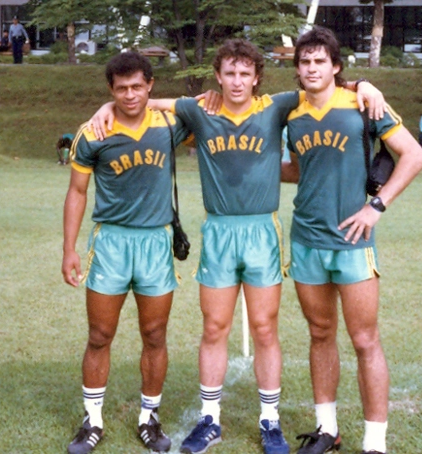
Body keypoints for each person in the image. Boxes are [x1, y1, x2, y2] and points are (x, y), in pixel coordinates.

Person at [89, 39, 386, 454]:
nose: (237, 81)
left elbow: (322, 84)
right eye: (229, 73)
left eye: (245, 73)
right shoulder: (200, 109)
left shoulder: (275, 106)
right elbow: (148, 102)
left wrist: (364, 83)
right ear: (217, 76)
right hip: (219, 232)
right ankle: (209, 419)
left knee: (265, 328)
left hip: (262, 231)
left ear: (257, 77)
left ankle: (270, 421)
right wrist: (107, 107)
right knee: (214, 327)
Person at [281, 26, 422, 454]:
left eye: (319, 61)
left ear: (336, 66)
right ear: (297, 69)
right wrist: (245, 169)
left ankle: (374, 443)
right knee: (320, 333)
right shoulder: (289, 112)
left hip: (354, 239)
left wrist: (375, 207)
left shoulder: (363, 101)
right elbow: (297, 170)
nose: (311, 68)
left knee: (365, 340)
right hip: (306, 237)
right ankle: (327, 430)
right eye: (304, 62)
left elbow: (413, 155)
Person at [62, 51, 189, 454]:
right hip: (112, 241)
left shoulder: (170, 124)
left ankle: (149, 418)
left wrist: (153, 103)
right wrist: (69, 249)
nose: (130, 95)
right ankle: (93, 420)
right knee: (100, 334)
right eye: (120, 89)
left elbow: (209, 104)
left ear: (150, 85)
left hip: (155, 242)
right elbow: (77, 192)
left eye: (138, 86)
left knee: (154, 334)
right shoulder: (93, 132)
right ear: (110, 90)